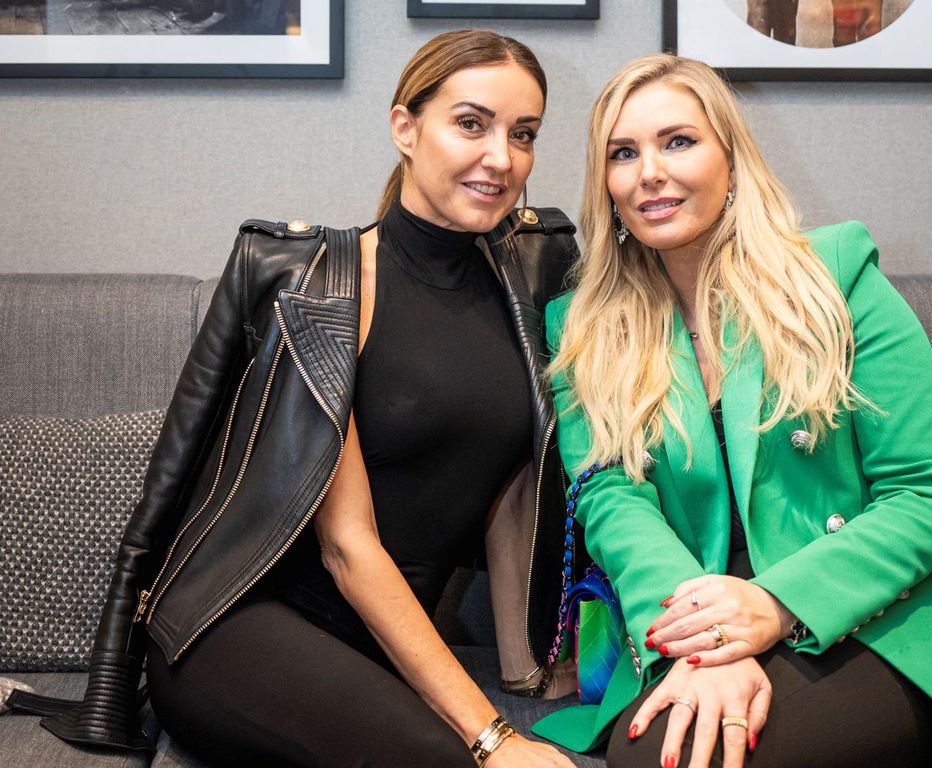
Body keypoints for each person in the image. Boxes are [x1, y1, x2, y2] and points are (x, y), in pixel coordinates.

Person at [10, 30, 577, 768]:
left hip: (375, 651)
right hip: (237, 626)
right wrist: (493, 736)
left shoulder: (525, 285)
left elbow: (512, 490)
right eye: (471, 123)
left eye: (523, 134)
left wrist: (529, 674)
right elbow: (346, 547)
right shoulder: (325, 291)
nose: (501, 158)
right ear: (405, 128)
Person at [532, 54, 932, 768]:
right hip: (689, 615)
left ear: (732, 160)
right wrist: (705, 639)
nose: (649, 172)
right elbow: (610, 501)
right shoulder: (584, 326)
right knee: (654, 757)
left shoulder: (836, 277)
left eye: (678, 141)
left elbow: (927, 495)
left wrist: (775, 605)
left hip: (876, 616)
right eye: (622, 153)